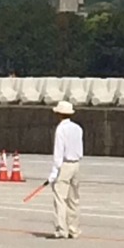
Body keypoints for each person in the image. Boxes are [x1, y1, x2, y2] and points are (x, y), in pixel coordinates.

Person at [47, 100, 83, 239]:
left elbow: (59, 152)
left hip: (65, 165)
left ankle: (62, 229)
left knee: (60, 198)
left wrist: (54, 172)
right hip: (76, 164)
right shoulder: (78, 128)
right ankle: (74, 229)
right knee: (74, 199)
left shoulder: (61, 129)